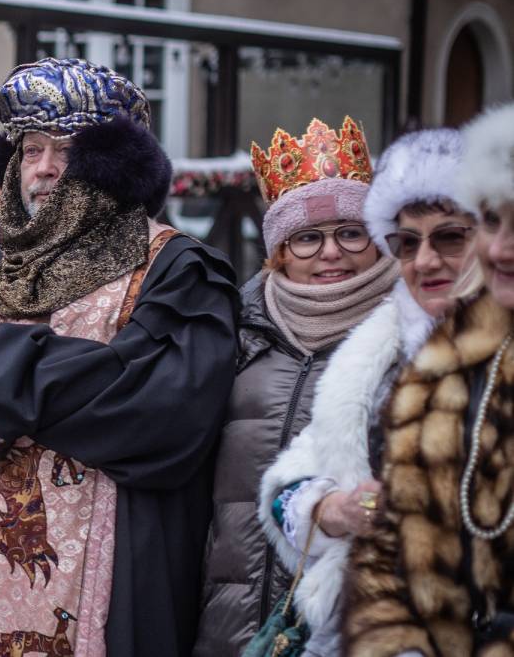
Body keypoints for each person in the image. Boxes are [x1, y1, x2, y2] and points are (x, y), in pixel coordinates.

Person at [0, 57, 239, 656]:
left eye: (68, 151)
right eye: (31, 150)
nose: (45, 170)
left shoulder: (177, 272)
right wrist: (8, 379)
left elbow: (163, 411)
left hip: (103, 585)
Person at [255, 129, 475, 655]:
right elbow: (290, 480)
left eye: (449, 237)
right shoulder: (375, 352)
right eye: (407, 242)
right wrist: (328, 509)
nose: (425, 261)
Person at [194, 116, 398, 655]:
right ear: (279, 250)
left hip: (349, 622)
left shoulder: (407, 338)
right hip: (228, 616)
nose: (331, 253)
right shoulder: (235, 332)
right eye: (307, 238)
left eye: (350, 232)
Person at [344, 103, 514, 656]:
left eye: (450, 236)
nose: (424, 261)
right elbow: (388, 548)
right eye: (491, 220)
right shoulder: (436, 370)